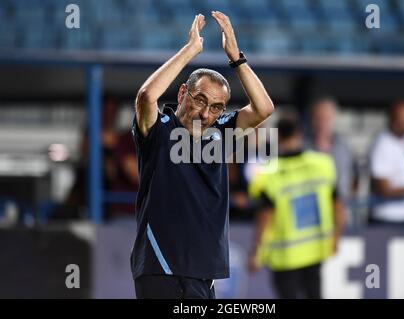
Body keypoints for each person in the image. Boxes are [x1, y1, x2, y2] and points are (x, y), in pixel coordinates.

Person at [131, 12, 274, 299]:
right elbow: (147, 96)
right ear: (183, 92)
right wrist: (191, 50)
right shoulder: (159, 129)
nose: (206, 113)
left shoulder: (221, 132)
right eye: (199, 100)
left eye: (217, 107)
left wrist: (236, 57)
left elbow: (263, 109)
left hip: (204, 269)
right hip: (159, 264)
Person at [248, 113, 345, 299]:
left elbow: (264, 217)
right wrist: (336, 237)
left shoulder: (269, 174)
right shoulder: (323, 164)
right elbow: (338, 207)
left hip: (284, 256)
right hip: (316, 249)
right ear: (299, 134)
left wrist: (255, 252)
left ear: (277, 137)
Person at [305, 97, 358, 226]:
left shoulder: (344, 147)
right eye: (319, 118)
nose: (322, 123)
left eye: (326, 118)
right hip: (311, 219)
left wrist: (346, 201)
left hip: (341, 217)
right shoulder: (303, 148)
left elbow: (355, 177)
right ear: (312, 120)